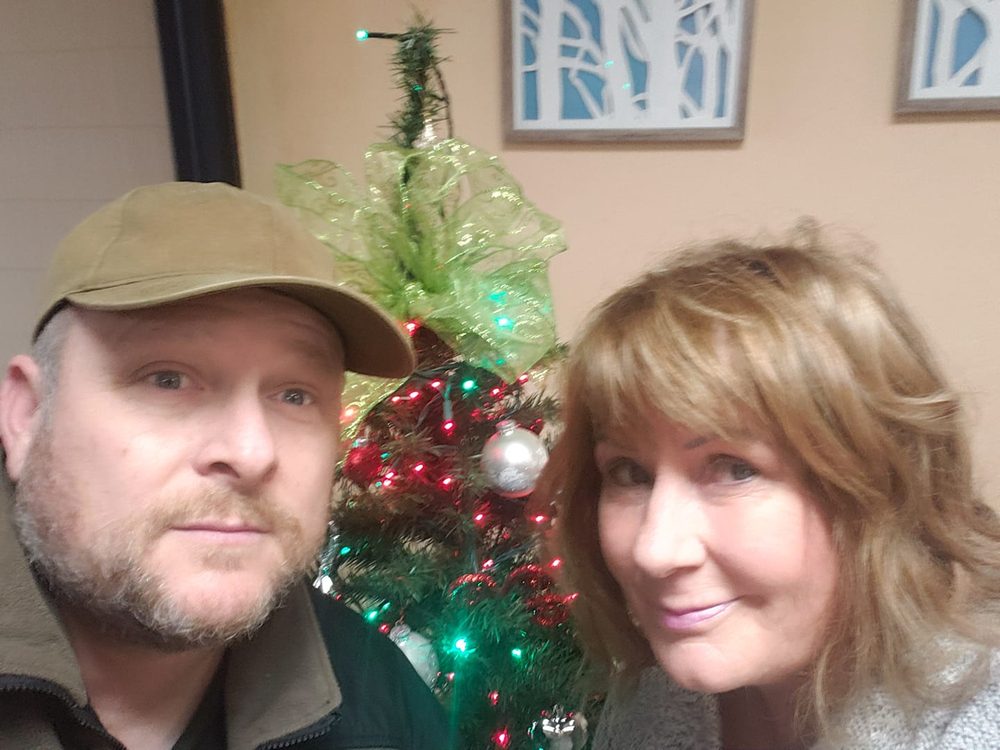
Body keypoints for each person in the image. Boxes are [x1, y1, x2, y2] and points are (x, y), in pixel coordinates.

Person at [0, 182, 451, 749]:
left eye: (295, 396)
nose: (252, 453)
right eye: (167, 379)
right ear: (26, 415)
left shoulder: (377, 699)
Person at [537, 238, 1000, 749]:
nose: (654, 551)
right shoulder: (657, 697)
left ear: (881, 486)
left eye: (735, 470)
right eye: (630, 474)